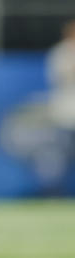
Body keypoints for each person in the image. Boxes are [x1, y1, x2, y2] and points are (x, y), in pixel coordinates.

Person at [46, 19, 75, 190]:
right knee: (60, 157)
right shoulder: (60, 53)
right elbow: (60, 77)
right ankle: (55, 191)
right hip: (65, 113)